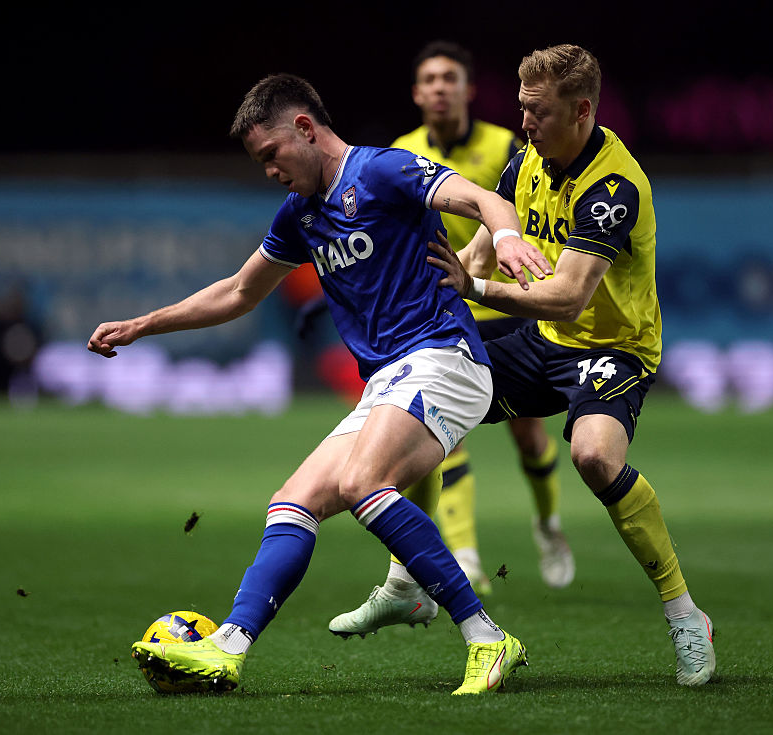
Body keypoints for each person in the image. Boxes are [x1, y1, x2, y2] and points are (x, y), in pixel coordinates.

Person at [88, 73, 551, 695]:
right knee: (294, 499)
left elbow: (483, 202)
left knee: (364, 482)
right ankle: (228, 646)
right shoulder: (300, 214)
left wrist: (510, 238)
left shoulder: (382, 172)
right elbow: (237, 292)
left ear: (305, 128)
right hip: (390, 379)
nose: (270, 172)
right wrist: (144, 324)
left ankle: (487, 637)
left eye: (271, 155)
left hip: (447, 357)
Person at [423, 44, 717, 686]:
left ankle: (685, 613)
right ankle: (406, 582)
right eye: (521, 110)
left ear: (581, 111)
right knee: (424, 407)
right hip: (547, 339)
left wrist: (476, 294)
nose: (523, 125)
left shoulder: (614, 186)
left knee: (594, 457)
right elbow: (476, 255)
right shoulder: (527, 158)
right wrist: (433, 317)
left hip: (614, 347)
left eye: (537, 113)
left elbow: (569, 293)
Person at [357, 42, 575, 604]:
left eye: (449, 78)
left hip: (497, 300)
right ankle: (465, 554)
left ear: (467, 89)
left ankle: (548, 524)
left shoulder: (508, 144)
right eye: (428, 79)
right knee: (439, 430)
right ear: (416, 93)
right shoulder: (397, 153)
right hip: (433, 311)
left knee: (529, 434)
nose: (438, 88)